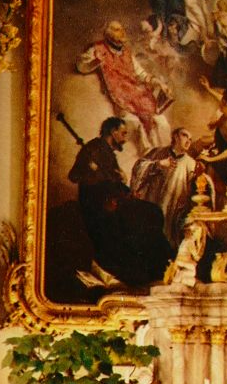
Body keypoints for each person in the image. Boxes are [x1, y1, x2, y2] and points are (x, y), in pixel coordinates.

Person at [69, 116, 173, 288]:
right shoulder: (92, 149)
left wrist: (126, 190)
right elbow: (74, 176)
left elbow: (114, 182)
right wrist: (92, 171)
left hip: (114, 200)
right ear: (113, 132)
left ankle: (159, 268)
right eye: (123, 133)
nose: (125, 138)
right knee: (143, 215)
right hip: (97, 205)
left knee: (152, 211)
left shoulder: (107, 152)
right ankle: (142, 272)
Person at [77, 20, 171, 153]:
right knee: (136, 125)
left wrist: (160, 84)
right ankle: (149, 154)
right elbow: (81, 66)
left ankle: (164, 152)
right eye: (117, 30)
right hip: (119, 97)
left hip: (137, 94)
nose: (122, 32)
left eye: (122, 29)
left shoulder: (127, 52)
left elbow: (142, 74)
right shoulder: (98, 49)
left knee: (159, 122)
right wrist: (97, 61)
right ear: (108, 35)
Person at [130, 127, 204, 249]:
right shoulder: (157, 153)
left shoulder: (191, 164)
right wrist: (159, 164)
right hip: (151, 210)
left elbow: (197, 192)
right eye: (185, 135)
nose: (188, 141)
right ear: (175, 136)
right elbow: (138, 168)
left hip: (173, 219)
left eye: (190, 139)